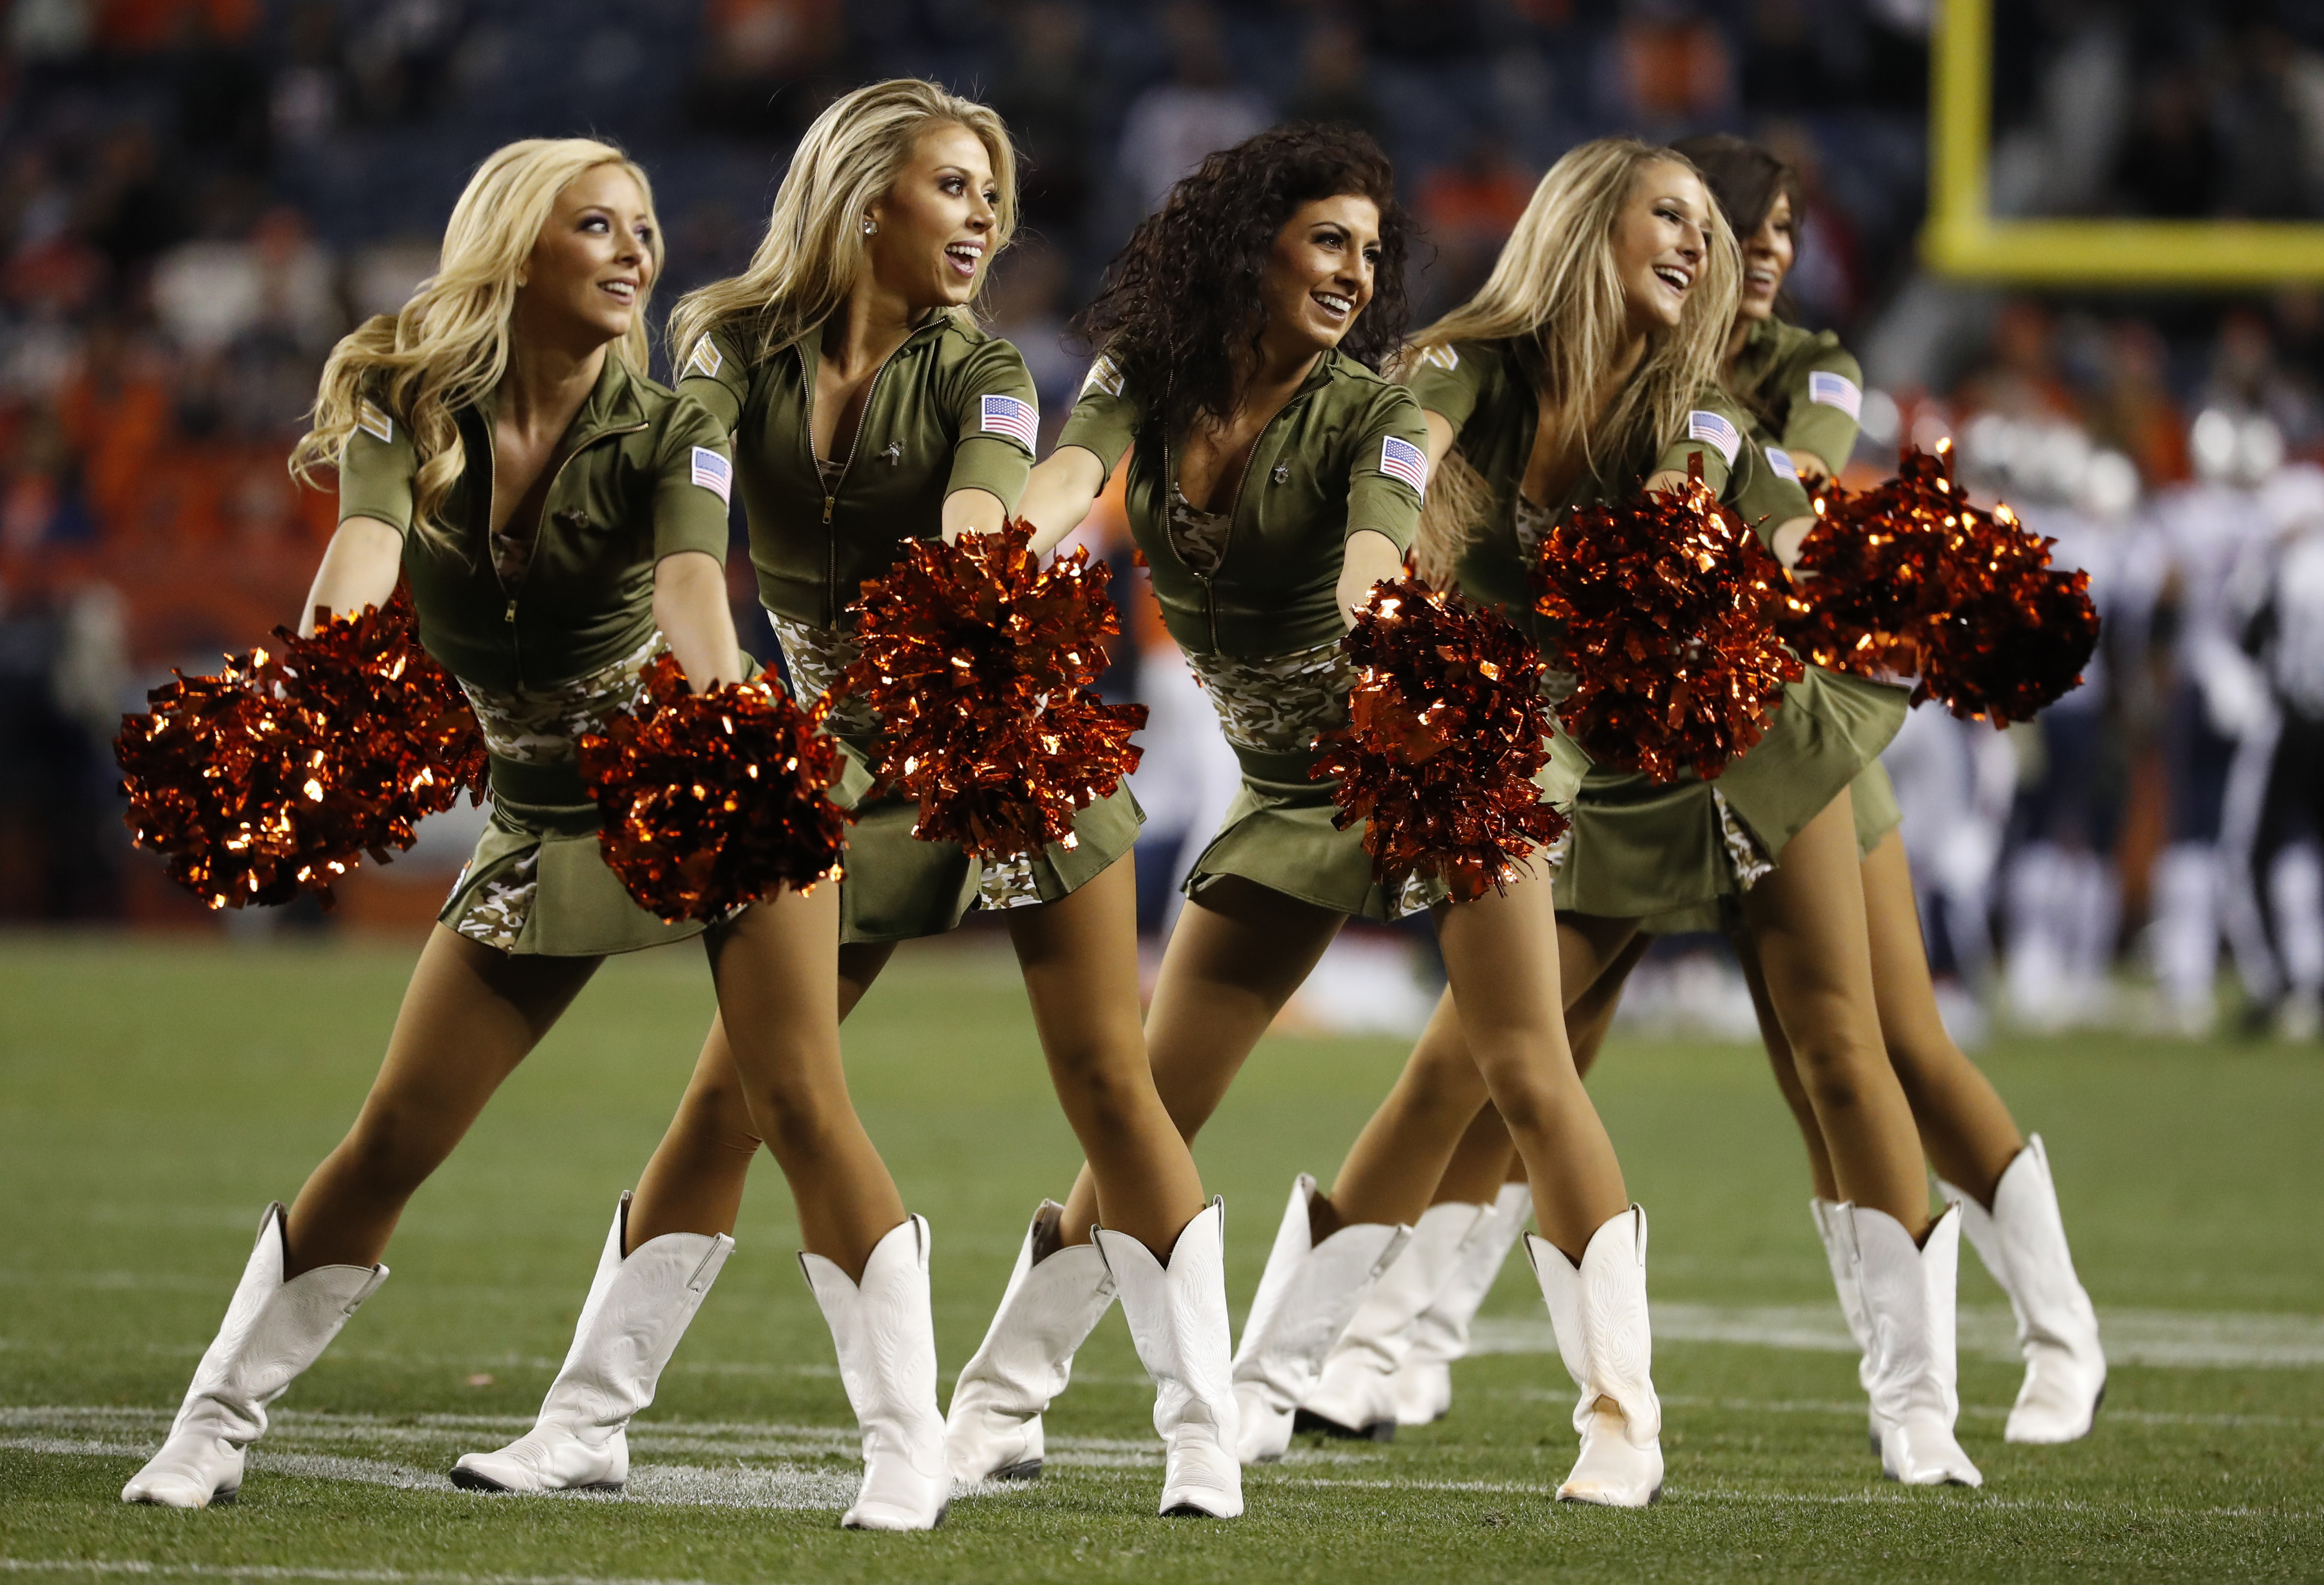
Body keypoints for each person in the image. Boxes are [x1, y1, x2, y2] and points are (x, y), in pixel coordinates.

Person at [449, 82, 1240, 1523]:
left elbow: (985, 499)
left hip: (1002, 737)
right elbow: (692, 551)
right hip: (836, 761)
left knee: (1111, 1088)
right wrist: (726, 701)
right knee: (731, 1098)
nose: (984, 219)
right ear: (867, 196)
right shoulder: (727, 347)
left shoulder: (988, 367)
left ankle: (1203, 1433)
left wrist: (980, 548)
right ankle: (585, 1425)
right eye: (954, 188)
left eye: (992, 196)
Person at [118, 138, 924, 1523]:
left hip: (703, 789)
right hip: (541, 820)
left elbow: (689, 588)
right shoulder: (404, 398)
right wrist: (314, 692)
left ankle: (906, 1452)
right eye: (598, 226)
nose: (636, 252)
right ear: (519, 248)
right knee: (391, 1138)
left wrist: (737, 725)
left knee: (798, 1108)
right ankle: (210, 1427)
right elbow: (362, 559)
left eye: (647, 228)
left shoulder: (678, 425)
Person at [1316, 134, 2104, 1458]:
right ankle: (1388, 1347)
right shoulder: (1570, 367)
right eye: (1740, 226)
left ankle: (2051, 1340)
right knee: (1505, 1049)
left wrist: (1892, 580)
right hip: (1624, 752)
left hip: (1771, 733)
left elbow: (1775, 509)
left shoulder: (1801, 374)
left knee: (1867, 1053)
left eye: (1765, 232)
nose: (1762, 252)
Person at [946, 122, 1661, 1508]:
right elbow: (1063, 479)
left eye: (1371, 253)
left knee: (1524, 1066)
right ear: (1246, 247)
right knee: (1149, 1100)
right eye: (1327, 240)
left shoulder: (1376, 413)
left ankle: (1622, 1418)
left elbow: (1380, 551)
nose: (1353, 273)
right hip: (1289, 787)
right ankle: (998, 1400)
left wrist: (1376, 623)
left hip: (1433, 746)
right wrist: (991, 566)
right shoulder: (1140, 379)